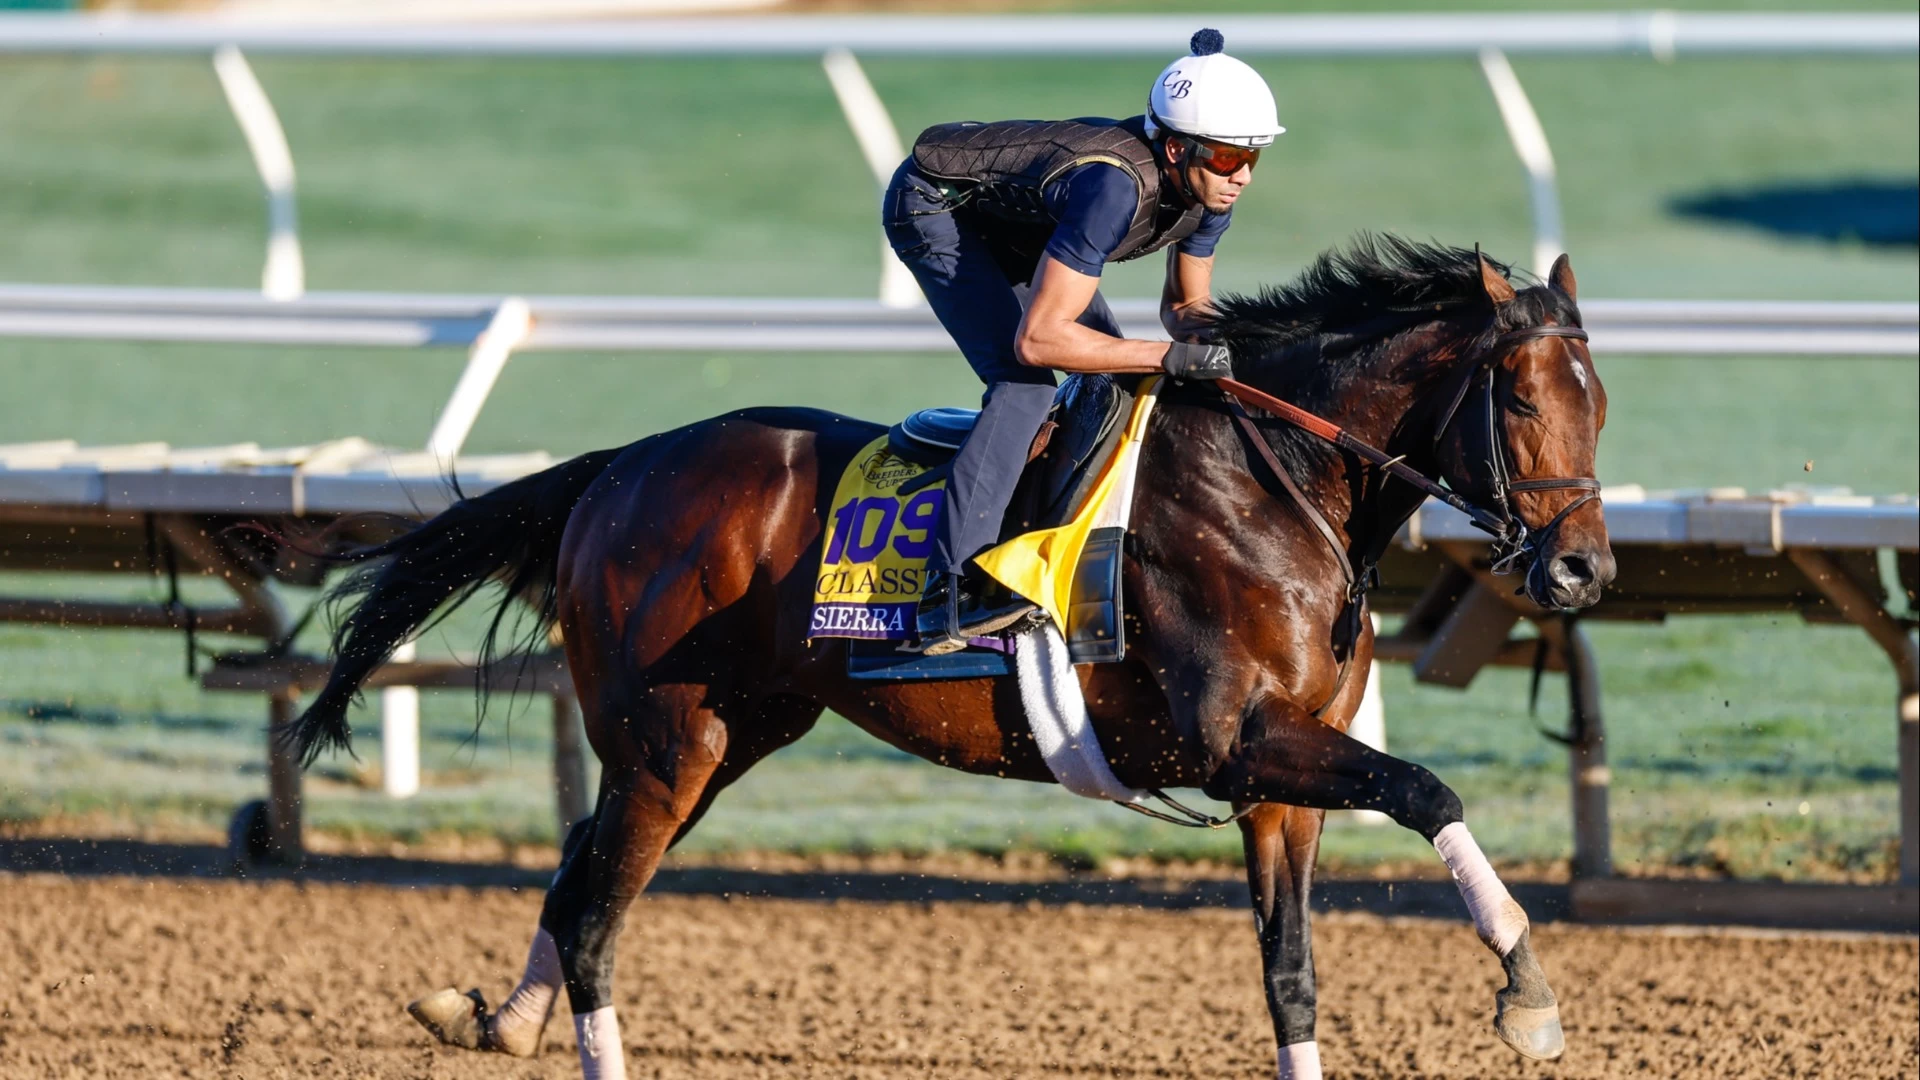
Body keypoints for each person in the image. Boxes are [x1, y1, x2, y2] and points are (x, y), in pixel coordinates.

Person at [882, 28, 1284, 653]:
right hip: (937, 207)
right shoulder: (1113, 187)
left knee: (1108, 381)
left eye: (1252, 158)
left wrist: (1243, 349)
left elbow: (1185, 308)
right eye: (1230, 158)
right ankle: (951, 589)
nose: (1243, 178)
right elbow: (1040, 342)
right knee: (1025, 389)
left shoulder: (1211, 196)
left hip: (1018, 224)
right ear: (1176, 150)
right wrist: (1165, 355)